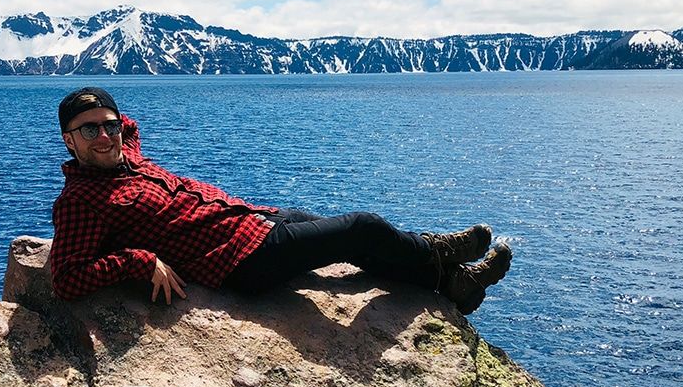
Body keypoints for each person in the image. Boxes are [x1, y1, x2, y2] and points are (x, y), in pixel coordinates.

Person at [49, 87, 511, 314]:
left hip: (251, 222)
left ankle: (452, 284)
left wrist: (102, 113)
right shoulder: (81, 201)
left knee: (354, 242)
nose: (105, 135)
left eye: (108, 125)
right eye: (89, 130)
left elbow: (126, 125)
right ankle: (438, 252)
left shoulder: (124, 152)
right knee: (360, 228)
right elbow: (66, 279)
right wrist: (138, 260)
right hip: (240, 261)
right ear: (68, 141)